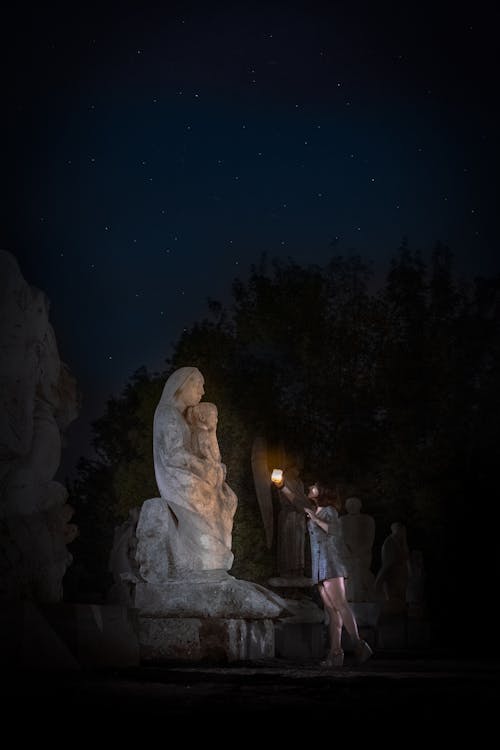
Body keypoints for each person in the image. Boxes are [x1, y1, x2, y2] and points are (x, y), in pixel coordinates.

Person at [135, 366, 238, 583]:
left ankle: (212, 560)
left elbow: (203, 451)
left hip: (187, 472)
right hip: (175, 476)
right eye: (198, 384)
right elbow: (173, 455)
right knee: (208, 499)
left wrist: (210, 459)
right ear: (182, 385)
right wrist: (203, 468)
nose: (202, 390)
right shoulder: (167, 413)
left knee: (227, 498)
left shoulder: (183, 418)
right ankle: (205, 560)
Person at [305, 483, 373, 667]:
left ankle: (360, 645)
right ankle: (335, 654)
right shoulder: (314, 509)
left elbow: (333, 530)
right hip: (319, 567)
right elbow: (294, 499)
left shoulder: (329, 511)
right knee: (332, 612)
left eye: (315, 486)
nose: (311, 487)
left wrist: (314, 518)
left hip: (332, 564)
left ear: (323, 493)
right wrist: (281, 486)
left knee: (341, 605)